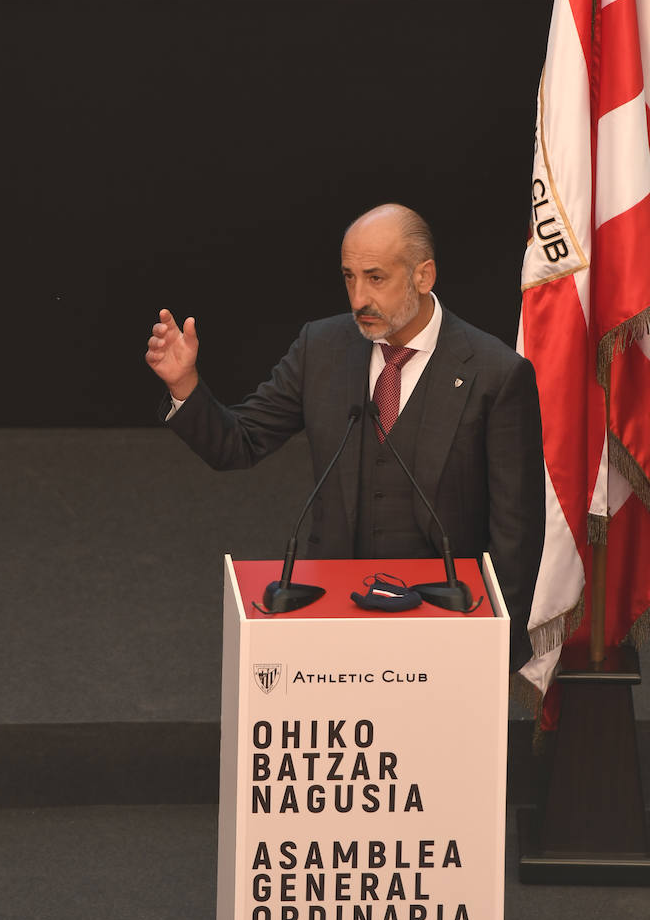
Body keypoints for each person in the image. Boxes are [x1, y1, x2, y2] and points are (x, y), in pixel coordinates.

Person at [146, 204, 545, 669]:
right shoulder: (323, 348)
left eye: (375, 278)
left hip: (444, 621)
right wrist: (184, 386)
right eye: (349, 277)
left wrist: (496, 640)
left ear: (424, 275)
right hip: (335, 617)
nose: (359, 298)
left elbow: (517, 529)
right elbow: (240, 443)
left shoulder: (495, 373)